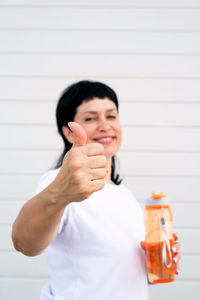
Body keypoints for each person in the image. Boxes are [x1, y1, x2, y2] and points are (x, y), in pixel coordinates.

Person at [12, 80, 181, 300]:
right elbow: (24, 243)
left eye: (111, 116)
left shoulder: (125, 195)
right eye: (90, 118)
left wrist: (156, 261)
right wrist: (59, 193)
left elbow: (118, 274)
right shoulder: (58, 183)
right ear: (69, 132)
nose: (104, 126)